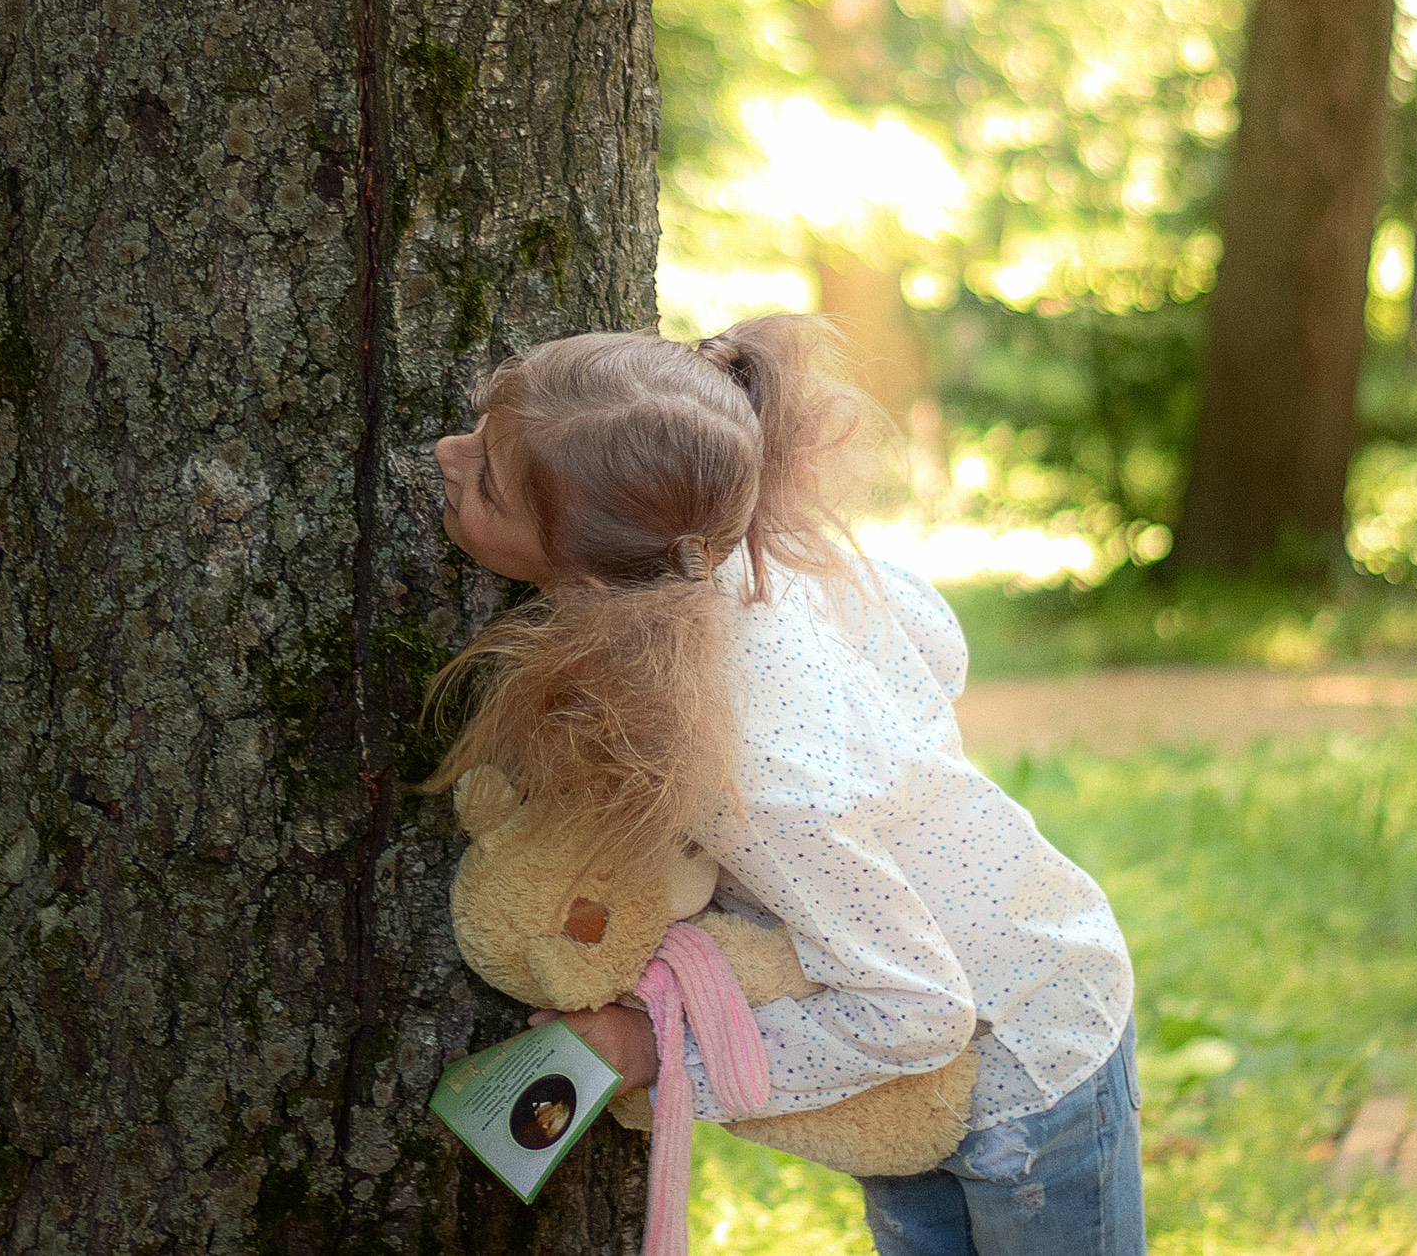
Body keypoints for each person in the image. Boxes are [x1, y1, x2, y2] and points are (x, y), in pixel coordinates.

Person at [426, 318, 1142, 1256]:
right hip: (943, 1046)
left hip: (1031, 1060)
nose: (445, 451)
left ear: (596, 582)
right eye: (480, 432)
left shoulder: (750, 774)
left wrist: (661, 1054)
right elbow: (934, 638)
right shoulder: (742, 550)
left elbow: (919, 1011)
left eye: (486, 479)